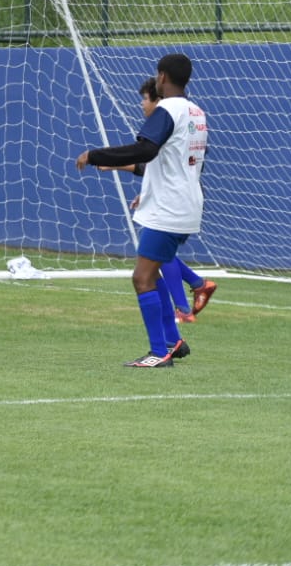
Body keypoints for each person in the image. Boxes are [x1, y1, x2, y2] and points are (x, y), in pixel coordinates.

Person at [76, 54, 208, 368]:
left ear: (162, 77)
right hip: (185, 204)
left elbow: (146, 149)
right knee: (153, 274)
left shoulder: (168, 109)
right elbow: (171, 162)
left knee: (141, 278)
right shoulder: (197, 113)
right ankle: (169, 342)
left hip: (168, 210)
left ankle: (158, 352)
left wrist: (94, 154)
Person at [93, 78, 217, 324]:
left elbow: (146, 161)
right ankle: (196, 286)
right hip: (174, 200)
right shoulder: (182, 123)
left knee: (152, 260)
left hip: (173, 203)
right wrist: (148, 191)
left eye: (145, 99)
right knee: (156, 255)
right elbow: (161, 167)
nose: (141, 104)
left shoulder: (169, 122)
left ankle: (183, 307)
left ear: (160, 100)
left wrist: (112, 161)